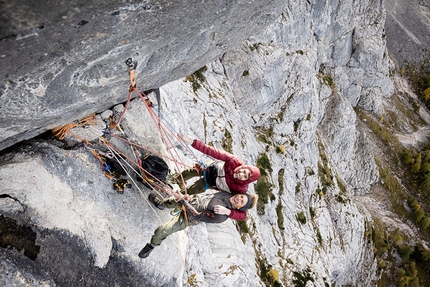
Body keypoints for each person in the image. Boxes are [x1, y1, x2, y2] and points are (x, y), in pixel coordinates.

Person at [138, 190, 259, 258]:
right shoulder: (228, 194)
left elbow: (197, 216)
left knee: (162, 230)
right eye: (241, 196)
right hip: (192, 200)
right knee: (170, 201)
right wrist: (188, 198)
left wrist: (183, 201)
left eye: (241, 201)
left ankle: (151, 246)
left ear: (239, 207)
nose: (238, 198)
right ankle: (161, 205)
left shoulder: (221, 215)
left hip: (189, 217)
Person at [172, 134, 261, 221]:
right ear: (245, 167)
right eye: (244, 171)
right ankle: (175, 180)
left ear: (247, 181)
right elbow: (212, 151)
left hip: (210, 183)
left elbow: (243, 215)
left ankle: (175, 200)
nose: (241, 174)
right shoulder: (235, 161)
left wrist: (228, 212)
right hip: (209, 169)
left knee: (191, 190)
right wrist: (190, 141)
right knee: (189, 172)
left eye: (245, 177)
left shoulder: (240, 189)